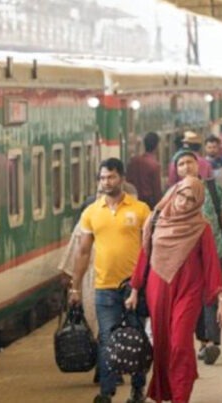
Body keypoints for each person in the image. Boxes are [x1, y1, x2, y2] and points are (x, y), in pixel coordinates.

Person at [125, 176, 222, 403]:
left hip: (189, 291)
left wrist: (221, 298)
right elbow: (145, 255)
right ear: (174, 193)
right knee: (162, 344)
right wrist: (134, 289)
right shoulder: (156, 219)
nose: (184, 202)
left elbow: (211, 264)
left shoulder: (202, 227)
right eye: (182, 195)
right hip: (158, 288)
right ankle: (167, 391)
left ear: (198, 203)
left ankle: (181, 396)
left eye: (192, 199)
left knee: (181, 343)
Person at [70, 159, 151, 403]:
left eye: (111, 177)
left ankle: (137, 389)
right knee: (107, 338)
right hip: (104, 287)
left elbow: (149, 249)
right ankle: (106, 392)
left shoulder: (141, 210)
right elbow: (83, 252)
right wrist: (75, 287)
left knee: (136, 338)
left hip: (134, 287)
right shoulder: (91, 213)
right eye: (103, 178)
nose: (107, 182)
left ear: (122, 179)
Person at [173, 151, 222, 365]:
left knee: (212, 294)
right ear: (177, 170)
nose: (186, 167)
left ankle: (211, 342)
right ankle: (203, 340)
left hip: (216, 248)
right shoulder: (174, 193)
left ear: (197, 164)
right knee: (195, 297)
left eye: (189, 162)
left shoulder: (212, 187)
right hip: (189, 254)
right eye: (181, 164)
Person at [126, 132, 163, 209]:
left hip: (131, 200)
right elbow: (157, 191)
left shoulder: (132, 161)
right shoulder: (155, 165)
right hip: (148, 203)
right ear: (156, 146)